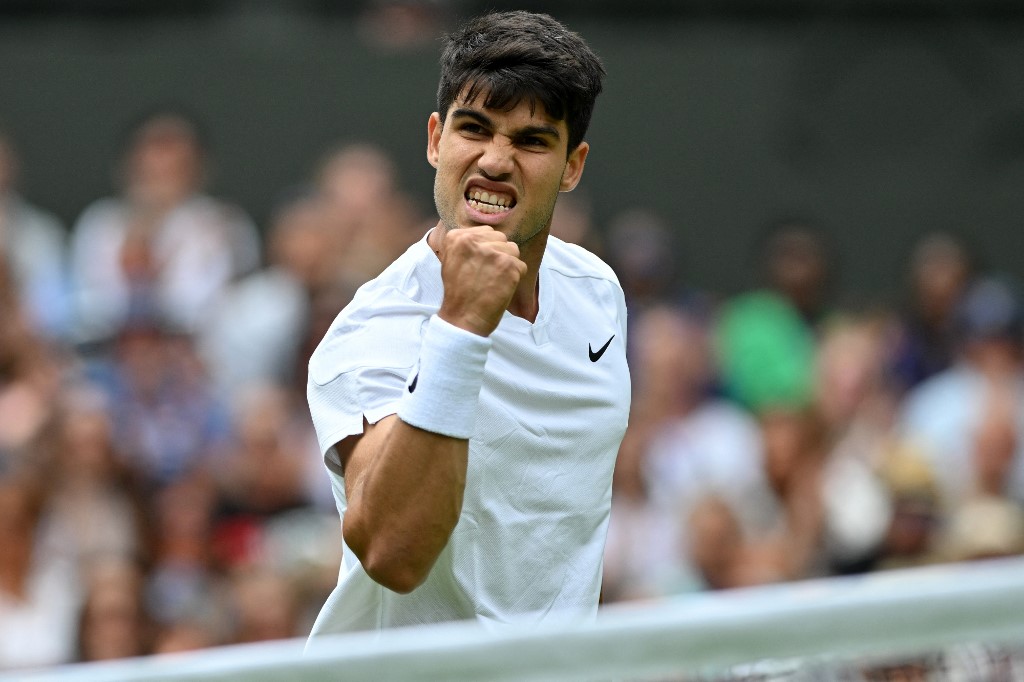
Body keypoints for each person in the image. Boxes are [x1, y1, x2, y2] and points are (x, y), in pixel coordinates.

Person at [305, 10, 629, 636]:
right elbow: (393, 555)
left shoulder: (598, 295)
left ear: (573, 165)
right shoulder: (371, 333)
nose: (495, 161)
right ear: (435, 140)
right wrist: (462, 325)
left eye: (531, 140)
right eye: (473, 128)